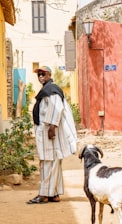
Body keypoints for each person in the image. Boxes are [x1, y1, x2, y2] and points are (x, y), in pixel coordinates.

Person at [27, 66, 77, 204]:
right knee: (52, 161)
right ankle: (54, 194)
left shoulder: (52, 90)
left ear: (49, 74)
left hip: (48, 131)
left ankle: (44, 194)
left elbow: (57, 109)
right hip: (45, 130)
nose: (40, 77)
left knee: (48, 162)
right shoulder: (47, 90)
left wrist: (52, 127)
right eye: (38, 75)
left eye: (43, 74)